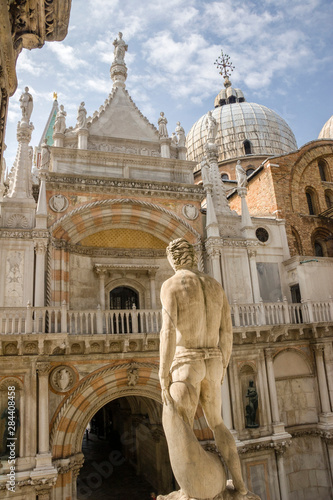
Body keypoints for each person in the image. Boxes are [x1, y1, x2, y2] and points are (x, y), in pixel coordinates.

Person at [159, 238, 259, 499]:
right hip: (213, 360)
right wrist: (223, 363)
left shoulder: (171, 286)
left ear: (172, 259)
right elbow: (227, 332)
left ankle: (188, 491)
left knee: (182, 425)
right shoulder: (215, 286)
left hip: (187, 361)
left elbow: (167, 332)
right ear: (193, 257)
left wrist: (162, 372)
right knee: (218, 424)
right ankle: (240, 486)